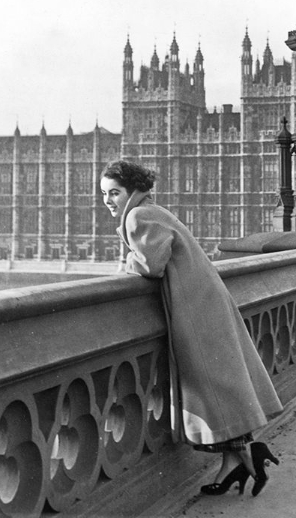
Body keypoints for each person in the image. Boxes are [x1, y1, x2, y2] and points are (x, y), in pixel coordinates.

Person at [100, 160, 283, 497]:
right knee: (218, 386)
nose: (108, 200)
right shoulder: (151, 210)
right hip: (201, 301)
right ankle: (239, 458)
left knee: (211, 386)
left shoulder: (138, 215)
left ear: (131, 191)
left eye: (114, 192)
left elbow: (149, 266)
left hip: (195, 309)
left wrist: (124, 262)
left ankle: (246, 454)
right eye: (104, 194)